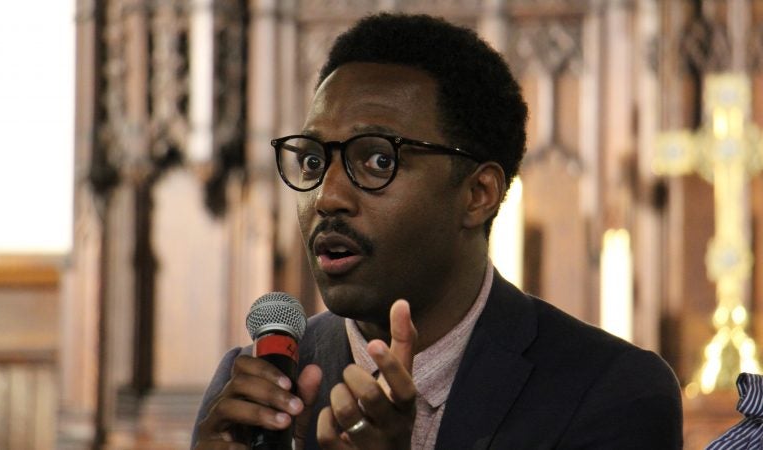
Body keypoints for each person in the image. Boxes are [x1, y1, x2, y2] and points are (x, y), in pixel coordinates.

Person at [192, 13, 684, 449]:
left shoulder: (612, 392)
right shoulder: (258, 389)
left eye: (378, 159)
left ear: (478, 194)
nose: (326, 196)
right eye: (314, 161)